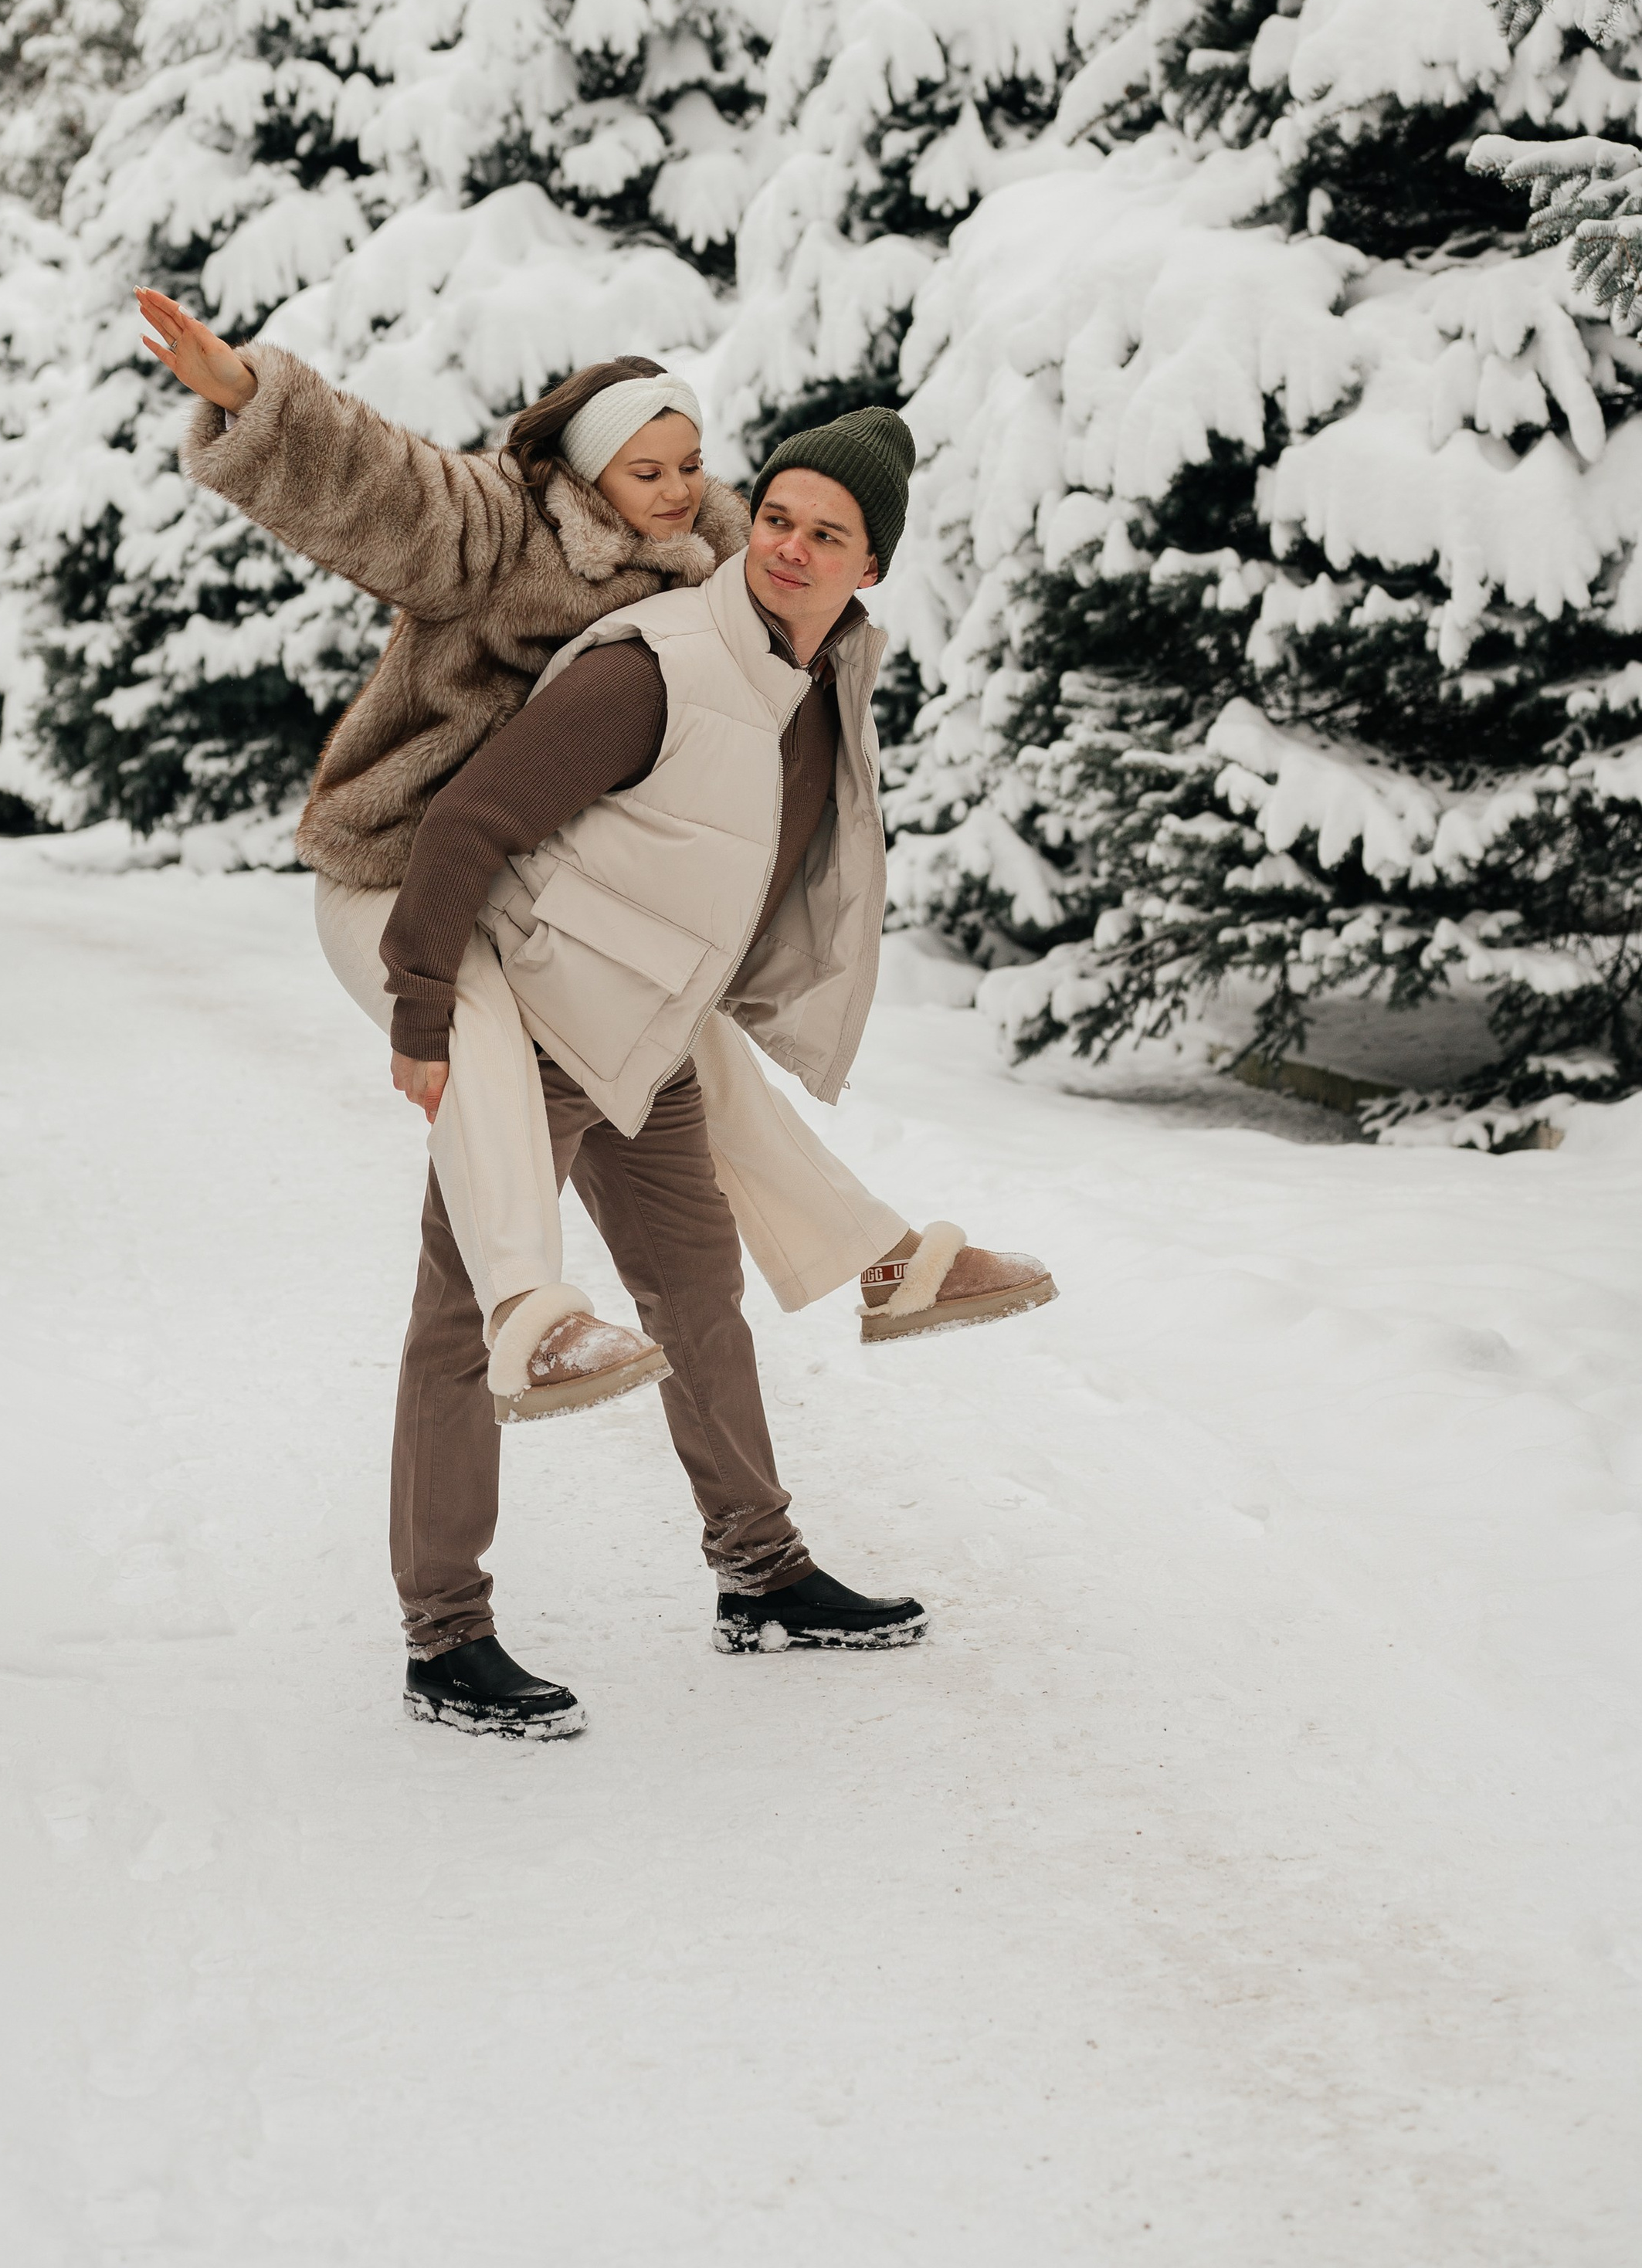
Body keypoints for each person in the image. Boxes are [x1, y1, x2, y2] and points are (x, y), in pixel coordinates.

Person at [138, 294, 1051, 1443]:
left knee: (696, 1040)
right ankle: (531, 1309)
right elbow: (385, 483)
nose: (674, 492)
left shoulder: (713, 560)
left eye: (689, 465)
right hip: (407, 861)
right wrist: (258, 403)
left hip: (529, 884)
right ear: (580, 474)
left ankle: (884, 1262)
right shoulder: (500, 533)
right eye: (642, 470)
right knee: (473, 1043)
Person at [379, 409, 1055, 1739]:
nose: (790, 548)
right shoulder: (656, 667)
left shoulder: (820, 673)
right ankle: (442, 1636)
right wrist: (420, 1015)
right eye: (782, 517)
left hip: (650, 1039)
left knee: (699, 1296)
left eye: (828, 533)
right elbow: (469, 824)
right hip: (533, 1025)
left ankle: (761, 1572)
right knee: (466, 1325)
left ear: (870, 567)